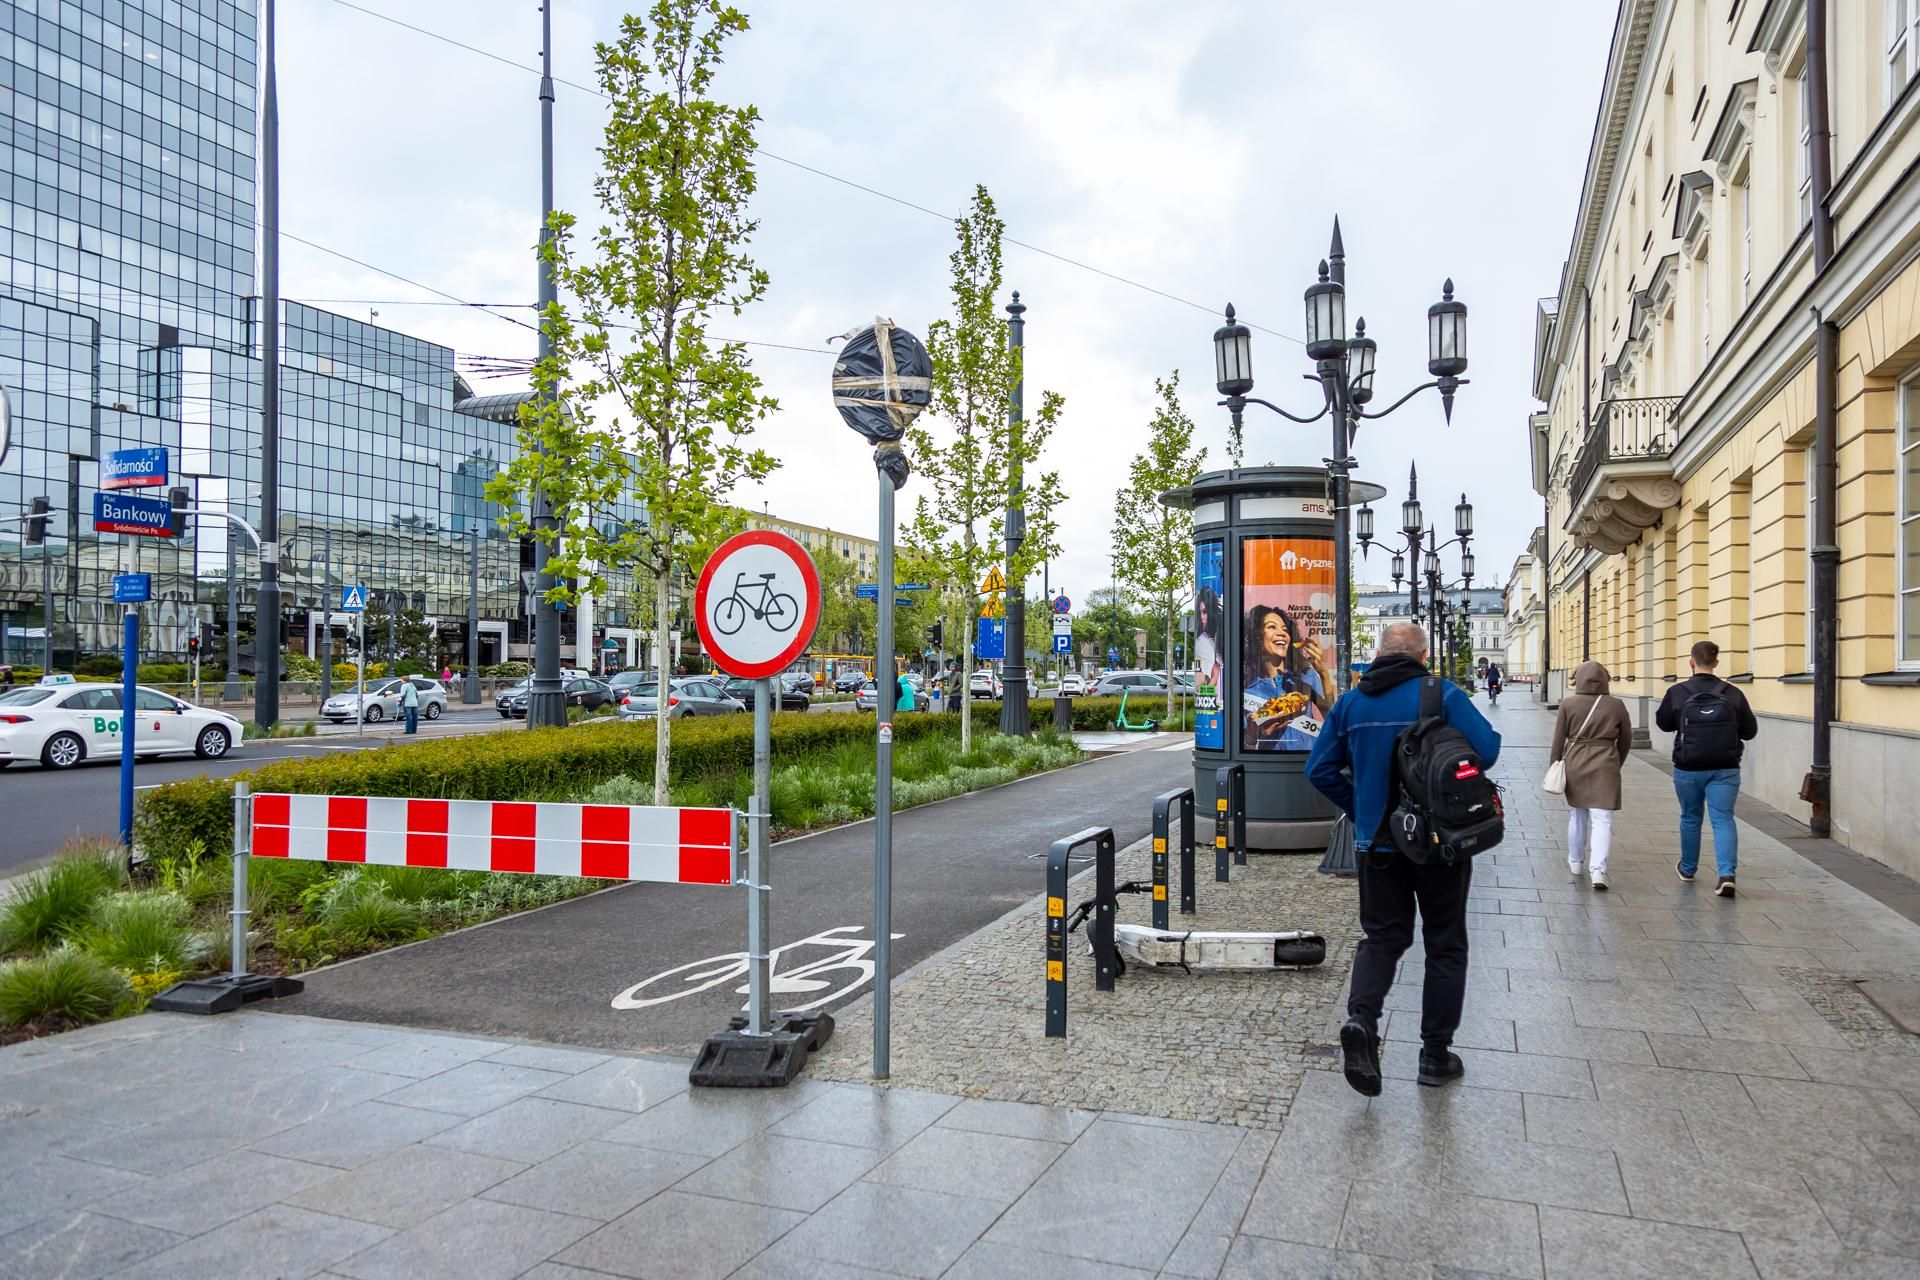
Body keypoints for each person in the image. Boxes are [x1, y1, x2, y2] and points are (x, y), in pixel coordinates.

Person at [1305, 621, 1501, 1096]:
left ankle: (1362, 1021)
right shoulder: (1442, 695)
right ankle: (1435, 1055)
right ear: (1422, 656)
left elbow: (1318, 769)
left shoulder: (1352, 703)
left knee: (1382, 938)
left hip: (1378, 846)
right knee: (1445, 944)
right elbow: (1489, 751)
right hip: (1440, 844)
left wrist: (1363, 809)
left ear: (1378, 653)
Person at [1655, 640, 1758, 897]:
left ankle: (1688, 869)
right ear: (1717, 663)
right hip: (1725, 768)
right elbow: (1750, 731)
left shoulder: (1678, 692)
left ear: (1691, 662)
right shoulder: (1733, 693)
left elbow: (1664, 724)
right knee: (1723, 819)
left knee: (1690, 818)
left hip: (1688, 767)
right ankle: (1726, 875)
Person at [1551, 660, 1632, 890]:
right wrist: (1617, 762)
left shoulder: (1568, 704)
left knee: (1577, 815)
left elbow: (1558, 739)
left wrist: (1554, 765)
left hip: (1575, 761)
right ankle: (1598, 870)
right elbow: (1626, 739)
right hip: (1606, 763)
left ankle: (1576, 862)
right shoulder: (1616, 705)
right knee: (1602, 819)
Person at [1241, 605, 1334, 751]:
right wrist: (1252, 735)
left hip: (1309, 763)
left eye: (1285, 630)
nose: (1282, 633)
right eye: (1272, 627)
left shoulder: (1305, 676)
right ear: (1257, 637)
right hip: (1269, 767)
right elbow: (1246, 748)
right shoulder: (1246, 689)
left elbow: (1331, 716)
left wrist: (1322, 671)